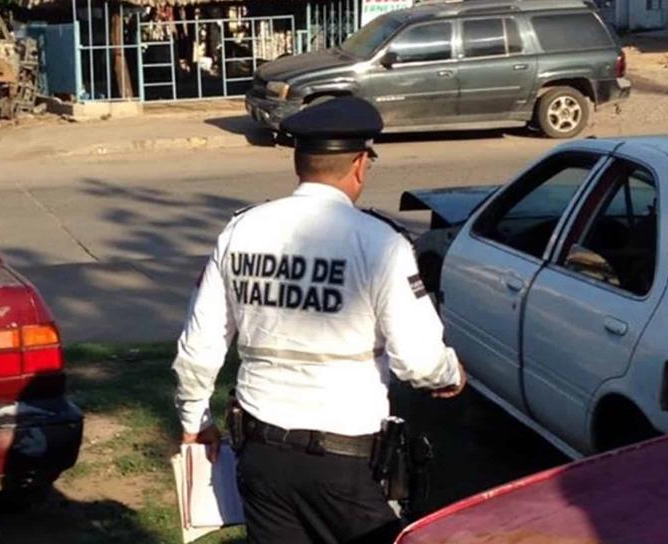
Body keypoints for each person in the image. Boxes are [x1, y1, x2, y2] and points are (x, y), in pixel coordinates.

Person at [171, 96, 467, 544]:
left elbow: (199, 345)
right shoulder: (380, 243)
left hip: (261, 455)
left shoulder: (241, 230)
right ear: (360, 165)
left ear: (299, 164)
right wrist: (451, 373)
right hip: (345, 463)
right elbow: (420, 363)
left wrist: (195, 419)